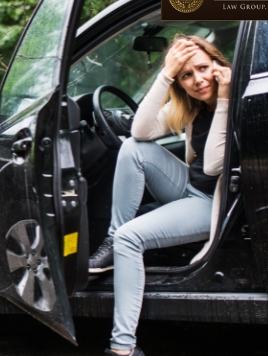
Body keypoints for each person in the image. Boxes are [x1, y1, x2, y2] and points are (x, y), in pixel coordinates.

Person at [87, 35, 232, 356]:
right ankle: (112, 241)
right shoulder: (192, 107)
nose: (198, 80)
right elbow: (139, 131)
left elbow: (213, 166)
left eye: (203, 68)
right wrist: (164, 74)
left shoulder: (237, 102)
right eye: (186, 75)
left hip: (213, 205)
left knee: (131, 238)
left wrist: (223, 99)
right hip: (188, 188)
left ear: (218, 65)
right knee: (132, 147)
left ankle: (121, 348)